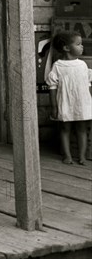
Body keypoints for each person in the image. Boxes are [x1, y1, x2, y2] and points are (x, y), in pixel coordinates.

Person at [46, 30, 92, 165]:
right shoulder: (58, 66)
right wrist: (54, 107)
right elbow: (52, 88)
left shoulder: (83, 65)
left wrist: (89, 101)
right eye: (78, 44)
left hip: (81, 103)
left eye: (81, 44)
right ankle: (67, 156)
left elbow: (88, 84)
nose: (82, 47)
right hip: (65, 103)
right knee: (65, 129)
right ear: (66, 48)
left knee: (82, 129)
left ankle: (82, 156)